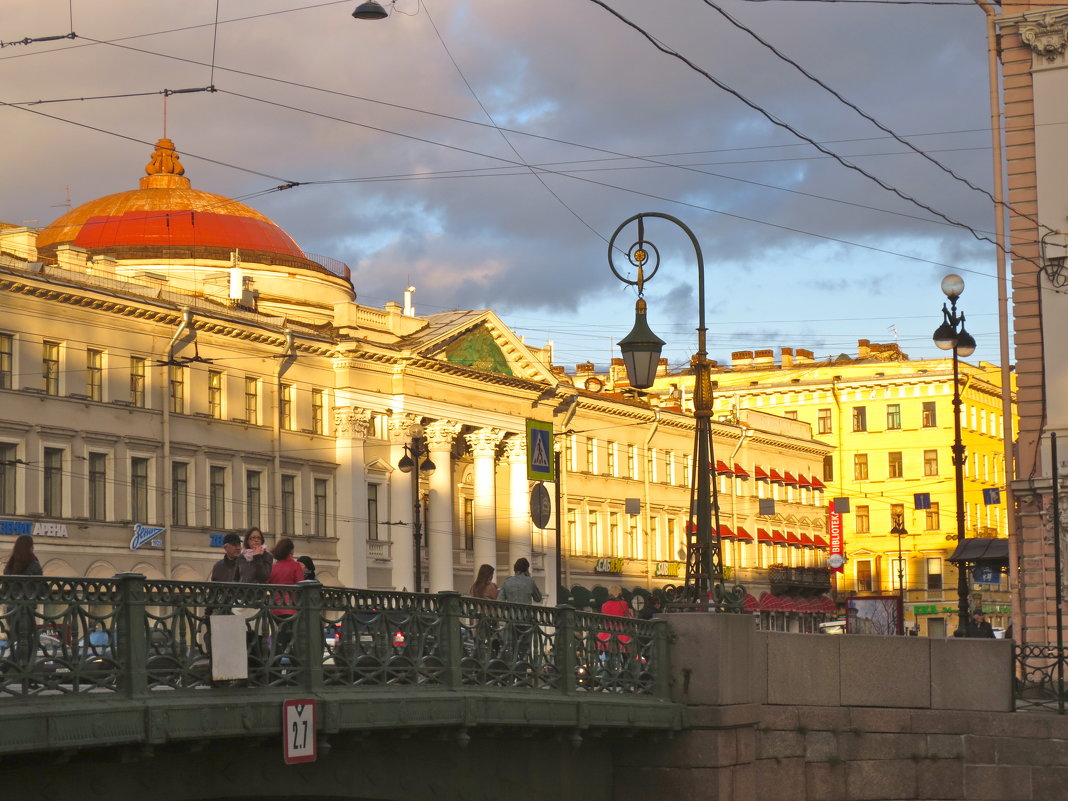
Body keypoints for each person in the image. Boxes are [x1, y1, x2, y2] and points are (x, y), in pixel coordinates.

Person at [3, 534, 43, 670]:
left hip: (11, 610)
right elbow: (40, 587)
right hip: (25, 610)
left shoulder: (10, 565)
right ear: (30, 547)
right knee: (28, 644)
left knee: (21, 643)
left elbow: (5, 590)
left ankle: (23, 676)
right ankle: (7, 670)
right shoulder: (33, 564)